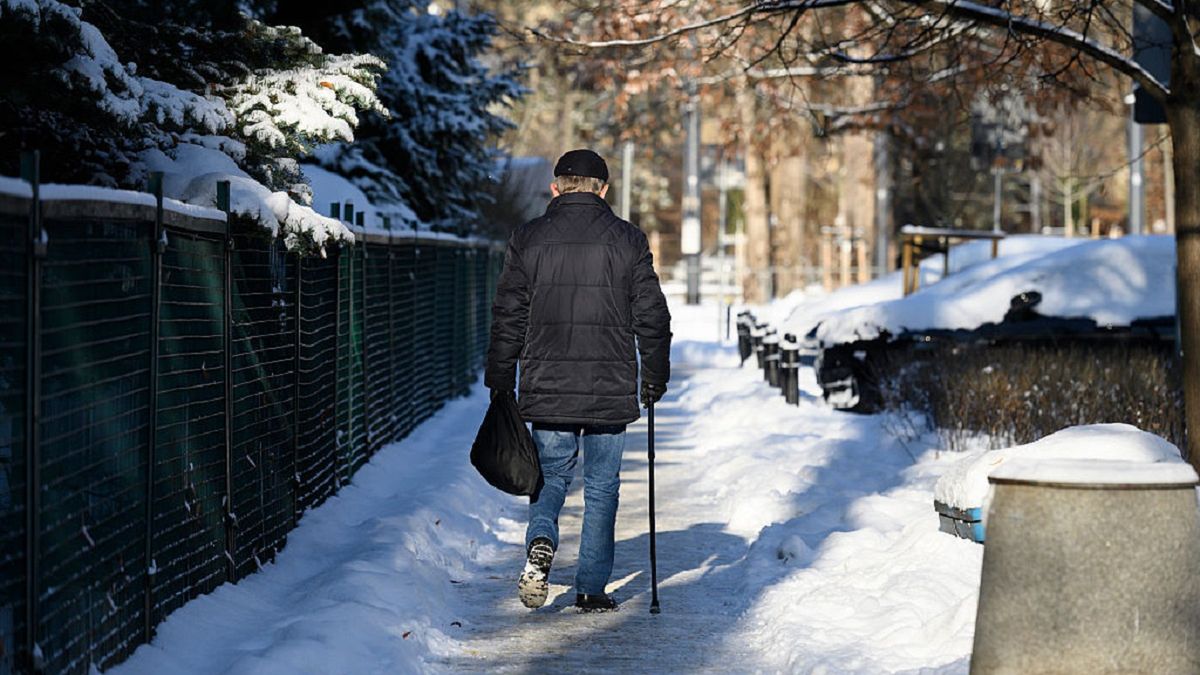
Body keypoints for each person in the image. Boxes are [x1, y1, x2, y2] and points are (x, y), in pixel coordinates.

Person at [485, 149, 672, 613]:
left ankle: (542, 538)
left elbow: (509, 313)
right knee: (603, 486)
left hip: (547, 381)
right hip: (609, 383)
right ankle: (591, 588)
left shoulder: (527, 239)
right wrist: (655, 375)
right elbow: (652, 315)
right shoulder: (628, 240)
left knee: (550, 476)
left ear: (556, 187)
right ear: (604, 190)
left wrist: (500, 376)